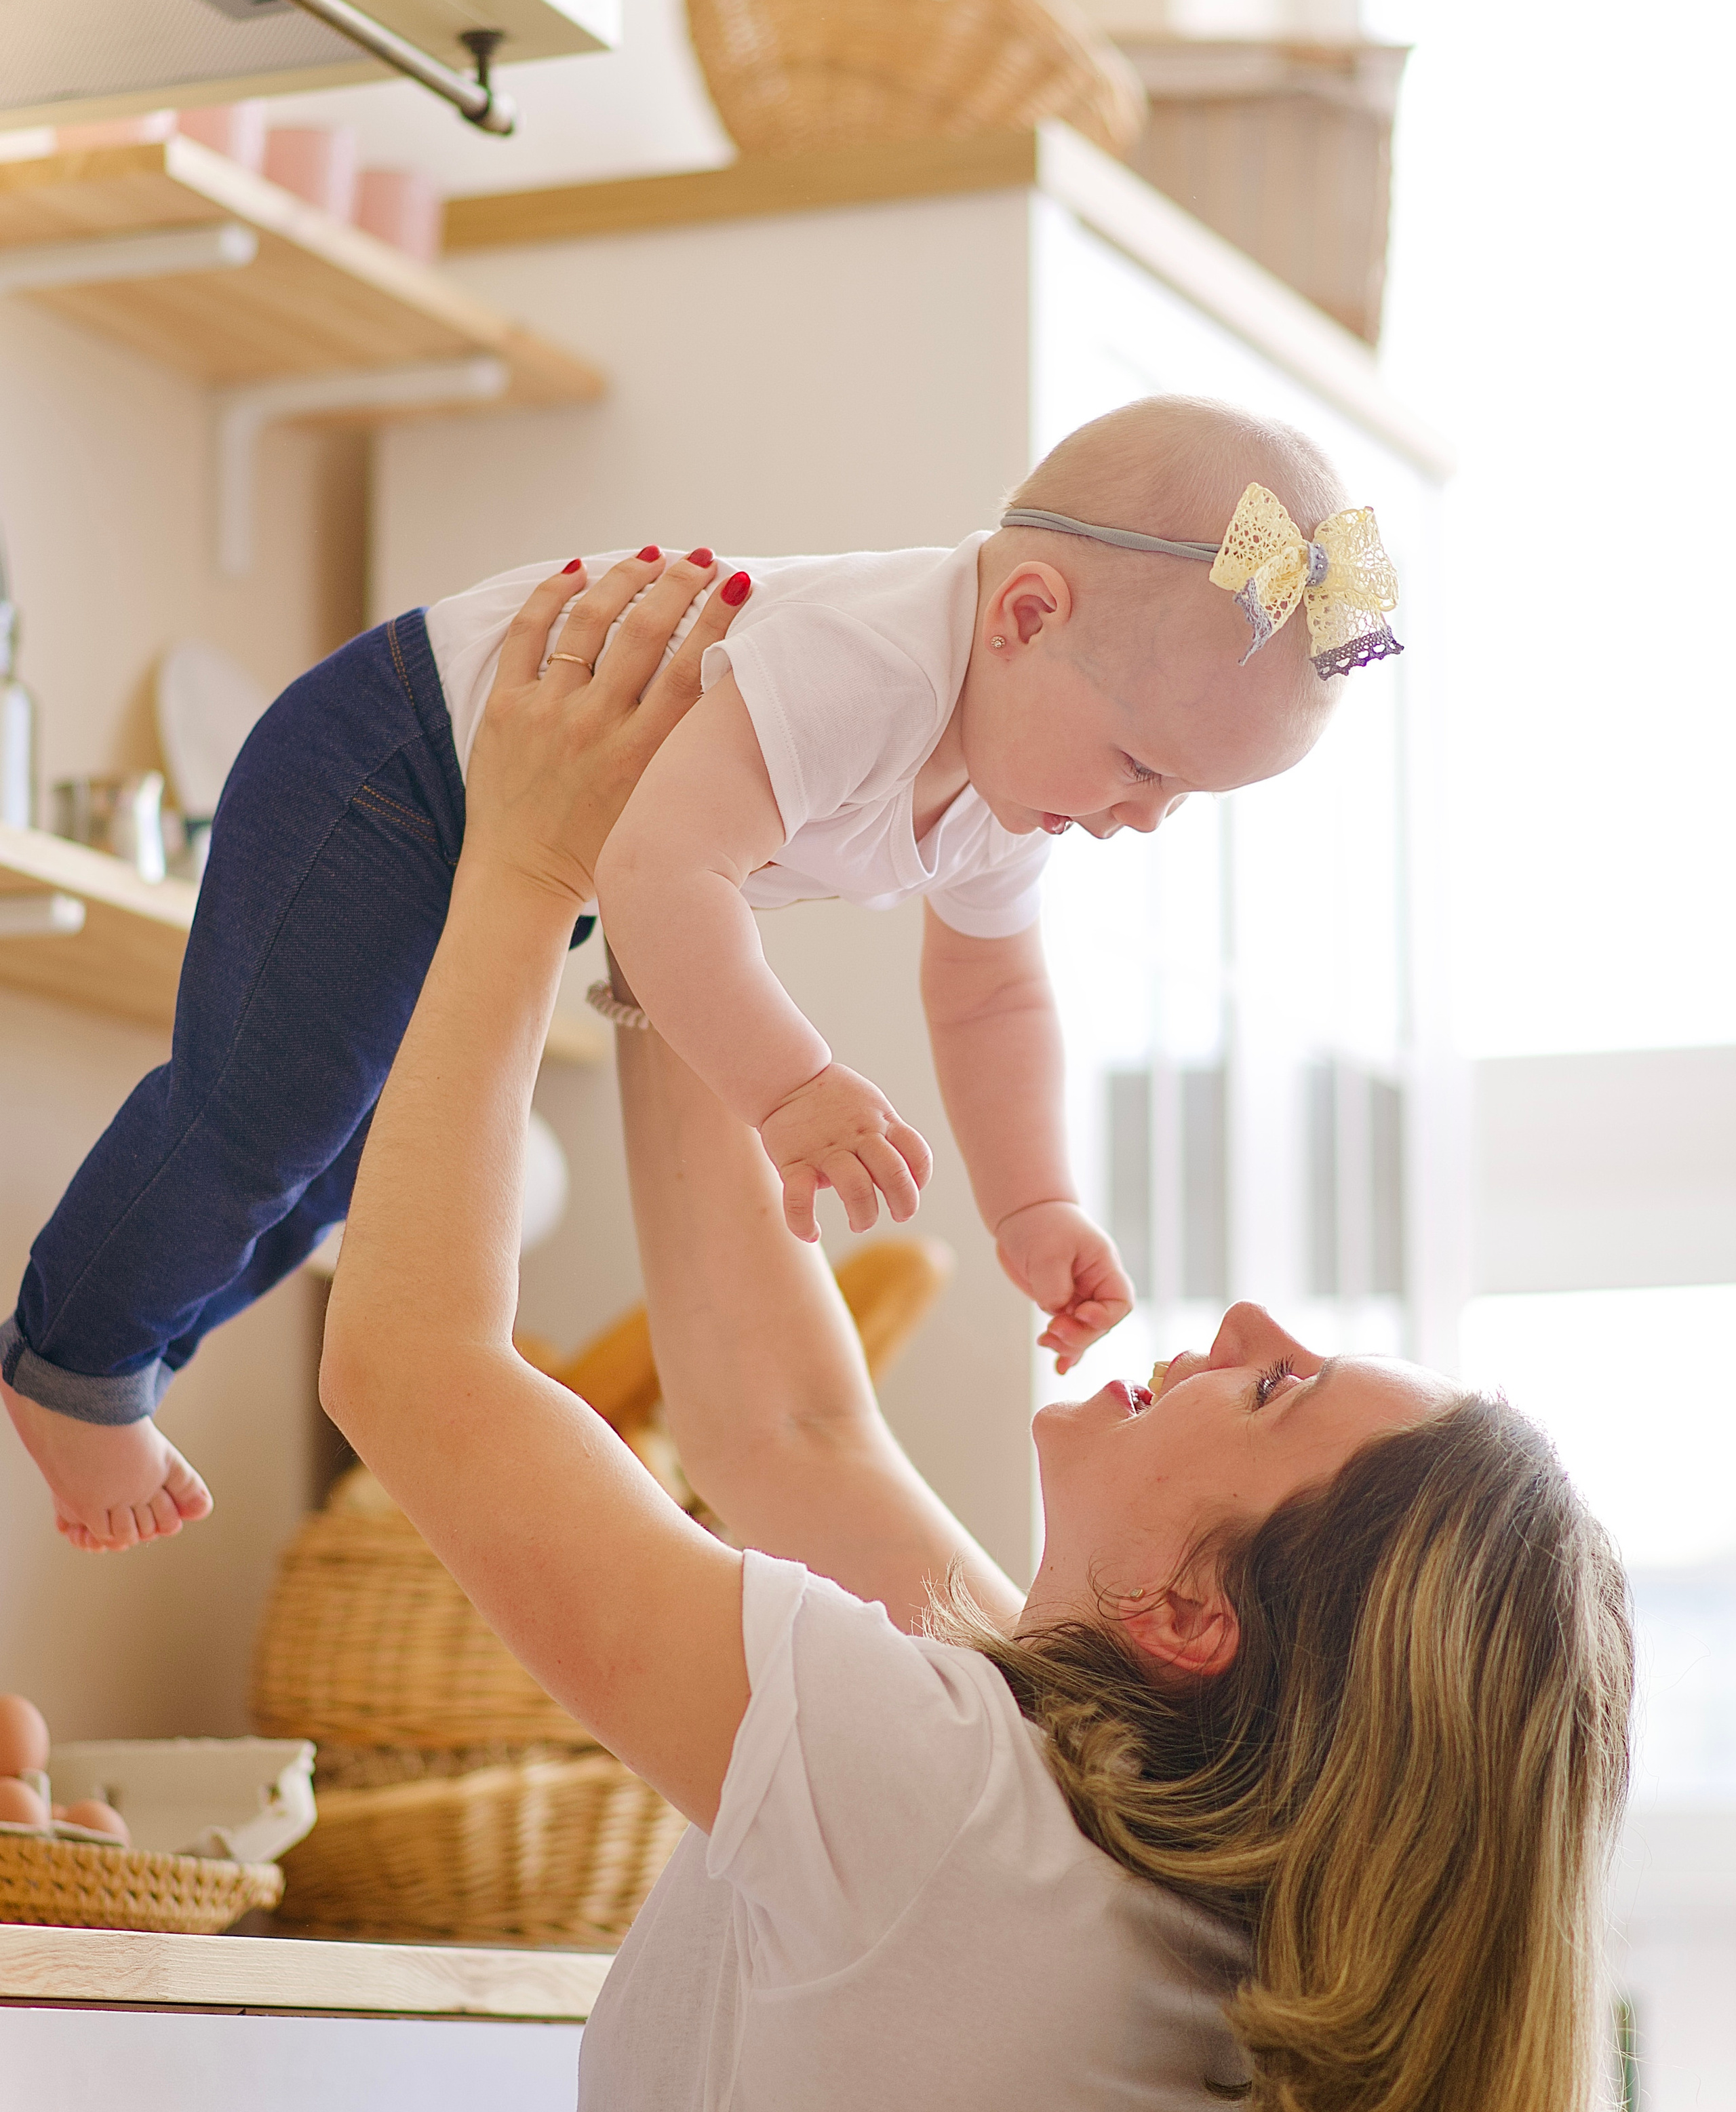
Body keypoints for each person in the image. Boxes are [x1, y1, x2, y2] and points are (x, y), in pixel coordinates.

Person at [318, 568, 1633, 2112]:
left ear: (1193, 1612)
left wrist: (528, 870)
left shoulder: (956, 1831)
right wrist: (675, 913)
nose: (1239, 1313)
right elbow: (787, 1433)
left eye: (1271, 1387)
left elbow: (416, 1372)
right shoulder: (1121, 1894)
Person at [4, 393, 1398, 1554]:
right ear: (1025, 617)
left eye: (1184, 799)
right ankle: (77, 1364)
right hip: (397, 758)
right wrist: (788, 1090)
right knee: (267, 1108)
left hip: (496, 823)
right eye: (1143, 765)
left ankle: (128, 1354)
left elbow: (992, 997)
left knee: (342, 1161)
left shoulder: (1003, 788)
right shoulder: (864, 662)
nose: (1142, 816)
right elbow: (660, 881)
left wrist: (1032, 1205)